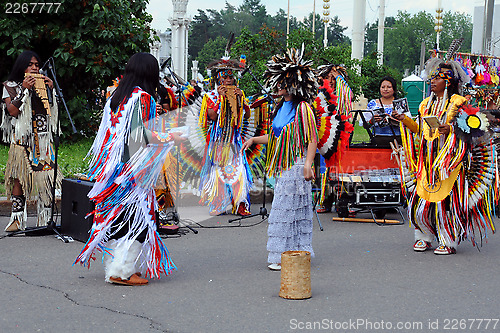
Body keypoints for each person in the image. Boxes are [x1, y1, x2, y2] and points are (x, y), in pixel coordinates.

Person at [74, 53, 178, 285]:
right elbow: (138, 139)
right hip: (133, 173)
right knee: (137, 220)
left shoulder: (115, 96)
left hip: (112, 169)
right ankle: (122, 272)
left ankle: (116, 268)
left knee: (121, 219)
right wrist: (171, 136)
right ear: (150, 73)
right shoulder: (143, 99)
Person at [393, 59, 496, 255]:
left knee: (446, 203)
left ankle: (448, 239)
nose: (432, 82)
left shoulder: (459, 103)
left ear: (447, 82)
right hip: (428, 162)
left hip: (450, 163)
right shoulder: (425, 105)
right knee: (422, 200)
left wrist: (450, 128)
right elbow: (419, 130)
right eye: (431, 78)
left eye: (437, 78)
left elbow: (473, 127)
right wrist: (404, 119)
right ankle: (423, 236)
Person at [242, 47, 318, 270]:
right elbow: (276, 137)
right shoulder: (280, 107)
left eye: (282, 82)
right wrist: (255, 140)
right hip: (284, 166)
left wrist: (307, 164)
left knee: (288, 208)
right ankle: (289, 251)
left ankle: (287, 253)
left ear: (294, 84)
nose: (278, 86)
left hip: (296, 163)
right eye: (277, 82)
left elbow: (311, 138)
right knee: (286, 208)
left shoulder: (303, 108)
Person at [1, 50, 61, 232]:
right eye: (30, 64)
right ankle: (17, 220)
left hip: (42, 139)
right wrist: (25, 89)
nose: (35, 68)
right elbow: (12, 111)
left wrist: (51, 92)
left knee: (45, 178)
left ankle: (44, 219)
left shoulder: (43, 84)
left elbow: (51, 112)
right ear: (22, 66)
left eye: (37, 65)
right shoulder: (9, 86)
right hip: (22, 139)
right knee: (19, 178)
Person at [198, 57, 252, 216]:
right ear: (218, 78)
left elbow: (247, 115)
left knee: (238, 171)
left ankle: (240, 203)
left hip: (234, 140)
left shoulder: (238, 94)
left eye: (230, 77)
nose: (228, 80)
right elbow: (212, 117)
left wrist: (241, 99)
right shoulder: (210, 96)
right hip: (217, 142)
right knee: (218, 173)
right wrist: (221, 99)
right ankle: (218, 203)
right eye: (225, 77)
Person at [313, 64, 354, 213]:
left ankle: (343, 202)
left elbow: (347, 94)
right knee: (325, 169)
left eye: (333, 78)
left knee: (342, 169)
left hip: (340, 135)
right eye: (327, 77)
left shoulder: (342, 93)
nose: (330, 81)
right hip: (323, 135)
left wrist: (338, 77)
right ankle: (325, 200)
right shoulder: (319, 94)